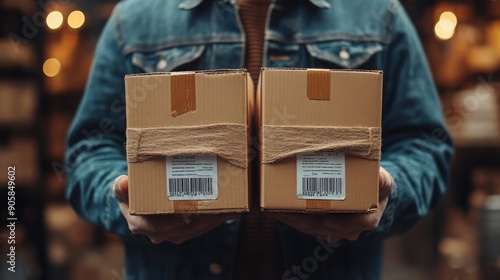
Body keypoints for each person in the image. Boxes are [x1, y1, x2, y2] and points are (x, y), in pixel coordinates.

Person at [65, 0, 454, 279]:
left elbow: (426, 143)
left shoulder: (378, 14)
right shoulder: (134, 21)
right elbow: (88, 150)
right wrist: (121, 199)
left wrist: (388, 194)